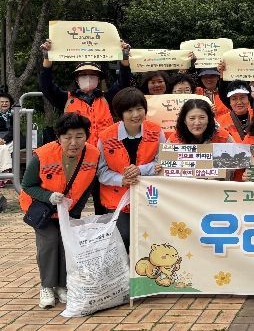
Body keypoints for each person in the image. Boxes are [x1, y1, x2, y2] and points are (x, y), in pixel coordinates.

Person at [19, 113, 98, 309]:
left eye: (79, 136)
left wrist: (75, 212)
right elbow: (27, 185)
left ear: (86, 136)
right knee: (50, 241)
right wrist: (48, 196)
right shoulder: (42, 155)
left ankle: (62, 285)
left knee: (66, 243)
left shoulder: (93, 155)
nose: (74, 142)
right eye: (67, 137)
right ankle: (46, 286)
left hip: (68, 210)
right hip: (41, 208)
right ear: (59, 137)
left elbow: (88, 185)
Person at [97, 88, 163, 252]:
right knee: (123, 237)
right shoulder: (106, 137)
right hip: (116, 200)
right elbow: (101, 171)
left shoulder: (156, 132)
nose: (136, 115)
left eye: (139, 109)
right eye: (129, 110)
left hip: (149, 197)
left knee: (149, 240)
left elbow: (162, 163)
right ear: (120, 113)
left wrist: (140, 170)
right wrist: (122, 179)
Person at [39, 39, 132, 146]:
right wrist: (47, 58)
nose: (88, 78)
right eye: (83, 75)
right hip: (76, 150)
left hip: (106, 151)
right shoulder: (66, 99)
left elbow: (123, 83)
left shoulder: (107, 98)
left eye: (92, 75)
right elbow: (47, 86)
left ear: (98, 79)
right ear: (77, 80)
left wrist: (124, 57)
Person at [168, 98, 233, 144]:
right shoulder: (174, 139)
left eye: (202, 117)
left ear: (209, 119)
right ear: (184, 120)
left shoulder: (223, 137)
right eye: (192, 118)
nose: (197, 123)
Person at [0, 92, 14, 183]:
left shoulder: (14, 114)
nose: (4, 104)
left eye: (6, 102)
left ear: (10, 103)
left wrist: (4, 140)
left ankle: (3, 175)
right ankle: (5, 173)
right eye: (2, 102)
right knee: (2, 148)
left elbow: (14, 130)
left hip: (10, 139)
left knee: (3, 148)